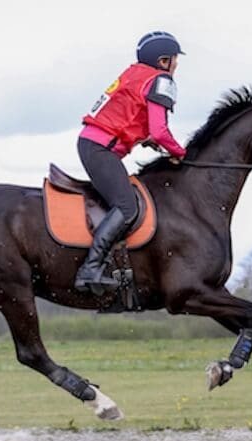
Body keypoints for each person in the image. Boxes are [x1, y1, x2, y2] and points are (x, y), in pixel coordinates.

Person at [75, 31, 187, 295]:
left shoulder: (134, 73)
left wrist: (145, 138)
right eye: (174, 60)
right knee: (127, 207)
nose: (176, 65)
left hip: (93, 144)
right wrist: (181, 153)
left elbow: (128, 116)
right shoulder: (160, 80)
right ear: (163, 61)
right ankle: (90, 268)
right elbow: (160, 130)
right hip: (101, 149)